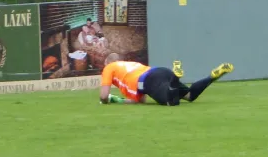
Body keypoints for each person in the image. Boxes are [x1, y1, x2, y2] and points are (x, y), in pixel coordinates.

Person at [99, 53, 234, 106]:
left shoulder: (109, 67)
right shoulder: (130, 65)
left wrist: (109, 100)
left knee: (172, 102)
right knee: (190, 96)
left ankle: (176, 76)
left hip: (148, 80)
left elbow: (103, 96)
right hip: (160, 71)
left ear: (108, 63)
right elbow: (141, 100)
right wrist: (119, 100)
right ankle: (211, 77)